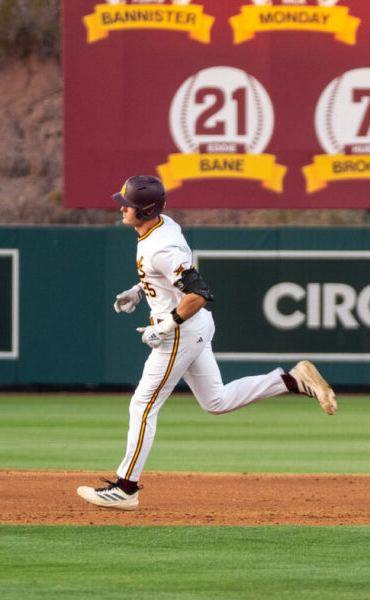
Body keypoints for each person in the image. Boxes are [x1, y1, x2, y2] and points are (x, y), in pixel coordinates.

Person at [76, 175, 337, 511]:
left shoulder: (162, 245)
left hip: (181, 333)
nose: (121, 207)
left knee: (142, 406)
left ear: (145, 211)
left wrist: (167, 324)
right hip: (194, 328)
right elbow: (169, 275)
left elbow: (200, 293)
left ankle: (126, 488)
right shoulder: (161, 227)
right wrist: (142, 290)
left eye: (127, 204)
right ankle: (291, 381)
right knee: (216, 400)